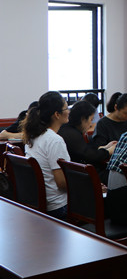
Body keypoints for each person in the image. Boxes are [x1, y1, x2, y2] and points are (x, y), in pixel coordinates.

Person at [22, 91, 70, 220]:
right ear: (57, 114)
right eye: (66, 108)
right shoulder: (55, 140)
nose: (69, 111)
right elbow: (62, 183)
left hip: (39, 202)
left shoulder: (33, 136)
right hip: (58, 207)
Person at [58, 100, 117, 177]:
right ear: (83, 119)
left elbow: (86, 150)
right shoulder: (71, 134)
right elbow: (89, 156)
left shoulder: (69, 129)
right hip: (77, 176)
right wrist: (109, 151)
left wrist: (105, 147)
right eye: (91, 120)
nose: (91, 124)